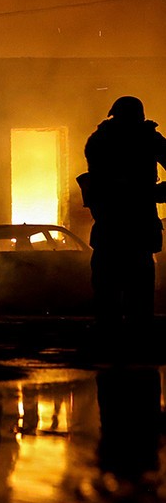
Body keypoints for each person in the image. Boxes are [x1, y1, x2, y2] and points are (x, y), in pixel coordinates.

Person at [80, 96, 166, 330]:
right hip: (138, 219)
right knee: (139, 279)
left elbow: (97, 178)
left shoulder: (100, 139)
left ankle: (109, 326)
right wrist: (155, 193)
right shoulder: (148, 138)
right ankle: (136, 328)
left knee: (107, 279)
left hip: (111, 220)